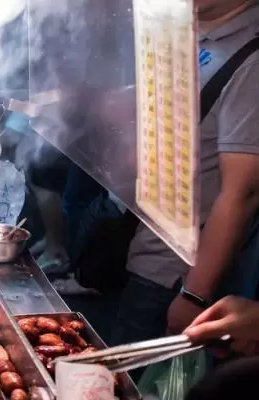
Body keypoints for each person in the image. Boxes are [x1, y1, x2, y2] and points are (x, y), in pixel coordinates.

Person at [111, 0, 259, 352]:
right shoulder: (189, 32)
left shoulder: (252, 59)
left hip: (174, 272)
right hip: (144, 243)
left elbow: (243, 193)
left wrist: (195, 293)